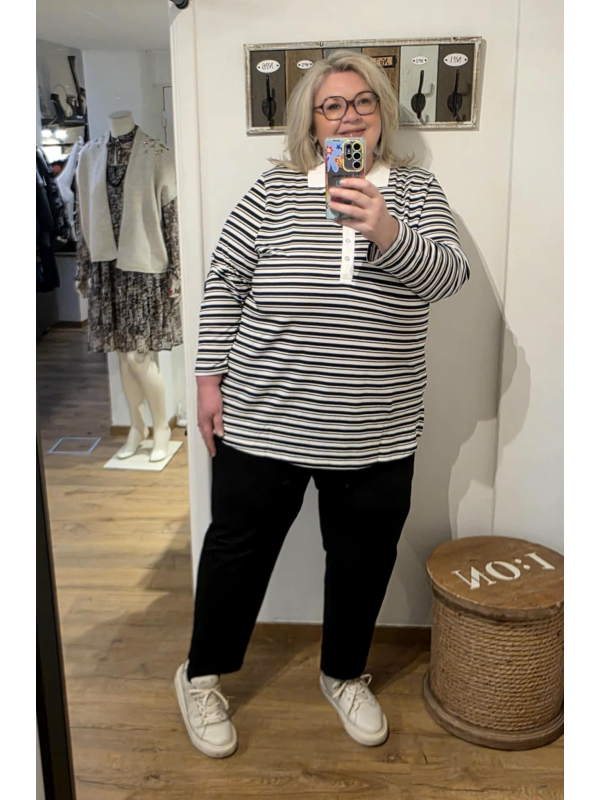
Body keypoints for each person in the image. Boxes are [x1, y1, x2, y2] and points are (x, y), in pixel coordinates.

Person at [175, 50, 470, 759]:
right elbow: (224, 283)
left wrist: (386, 229)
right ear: (311, 121)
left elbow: (449, 278)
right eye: (332, 105)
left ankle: (343, 674)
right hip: (263, 419)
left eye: (363, 102)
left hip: (376, 430)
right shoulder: (273, 190)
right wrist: (208, 380)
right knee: (236, 554)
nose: (349, 116)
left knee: (363, 561)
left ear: (383, 114)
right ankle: (201, 674)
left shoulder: (417, 191)